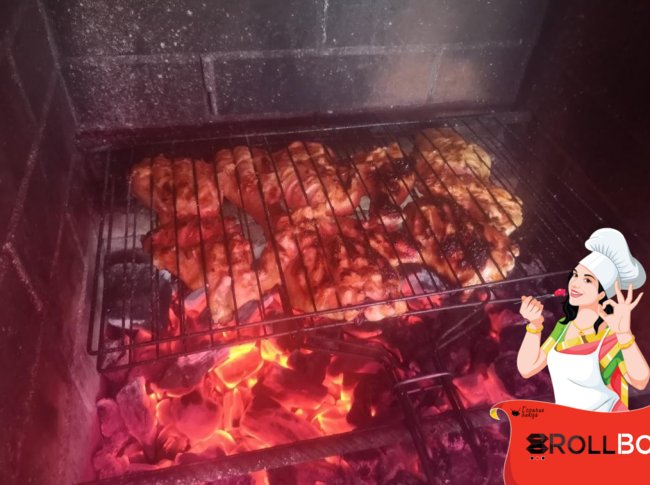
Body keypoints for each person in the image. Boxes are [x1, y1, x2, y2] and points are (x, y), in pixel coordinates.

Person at [516, 228, 649, 412]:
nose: (576, 283)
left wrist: (624, 334)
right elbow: (527, 368)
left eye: (587, 280)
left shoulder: (610, 333)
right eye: (575, 275)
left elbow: (640, 381)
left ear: (602, 293)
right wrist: (534, 324)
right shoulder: (564, 326)